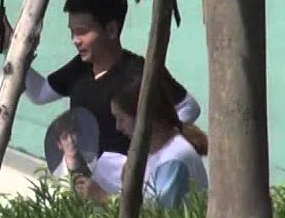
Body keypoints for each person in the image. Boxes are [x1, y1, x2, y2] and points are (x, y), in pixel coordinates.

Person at [0, 0, 200, 158]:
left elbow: (189, 106)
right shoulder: (79, 67)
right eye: (72, 32)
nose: (75, 40)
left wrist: (153, 148)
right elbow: (40, 93)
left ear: (111, 30)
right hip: (87, 183)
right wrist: (10, 47)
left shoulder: (139, 71)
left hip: (125, 187)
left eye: (82, 32)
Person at [72, 75, 209, 209]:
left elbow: (156, 216)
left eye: (121, 119)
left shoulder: (173, 160)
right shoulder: (153, 153)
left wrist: (103, 197)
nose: (118, 127)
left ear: (144, 117)